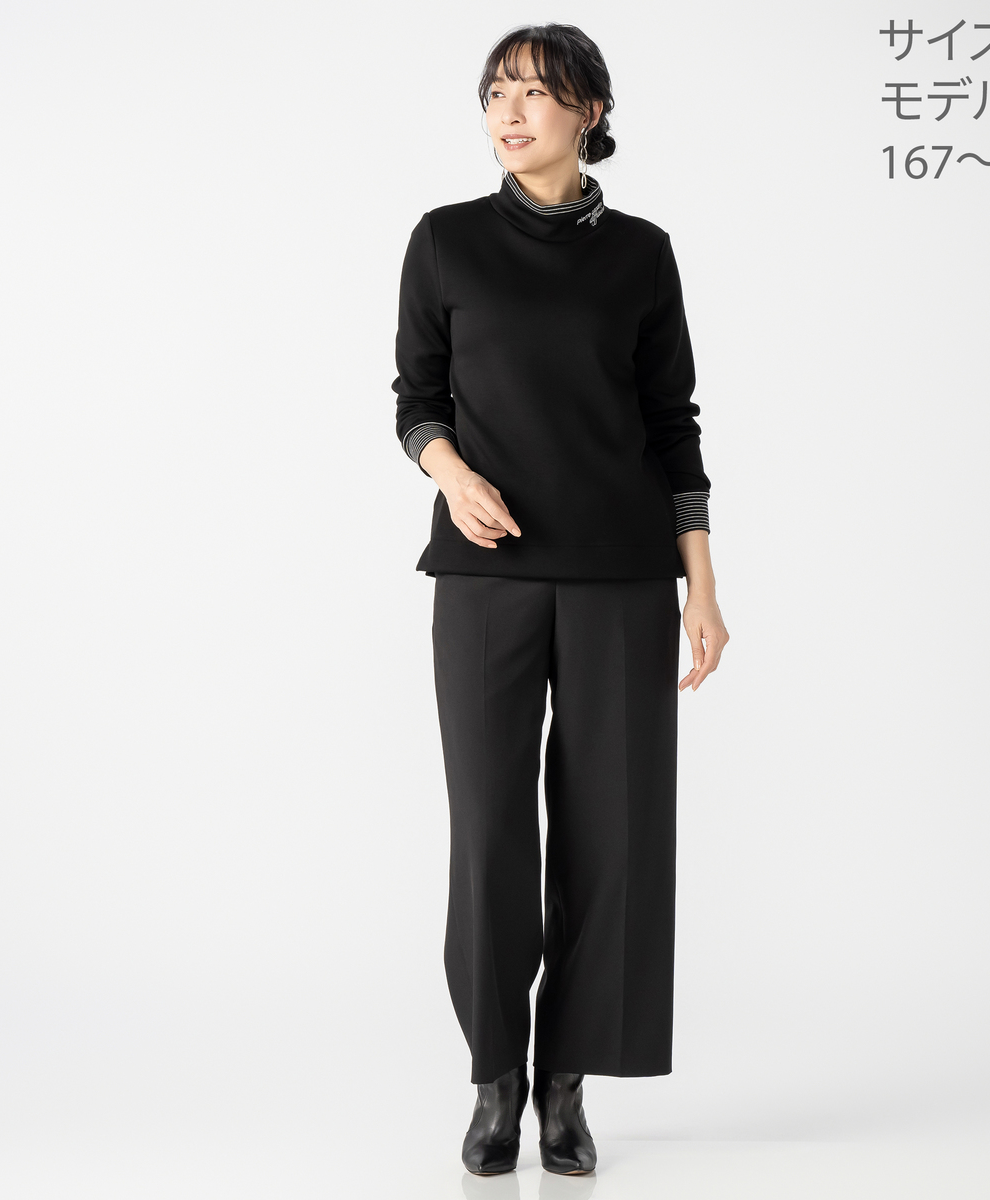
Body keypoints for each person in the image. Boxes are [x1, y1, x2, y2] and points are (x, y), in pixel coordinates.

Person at [391, 22, 729, 1176]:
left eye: (535, 92)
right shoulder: (444, 241)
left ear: (590, 110)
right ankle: (495, 1074)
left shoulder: (642, 254)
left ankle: (566, 1080)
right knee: (491, 831)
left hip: (623, 579)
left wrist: (702, 584)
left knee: (613, 835)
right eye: (496, 91)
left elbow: (674, 425)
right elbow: (416, 398)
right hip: (484, 578)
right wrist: (452, 474)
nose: (510, 110)